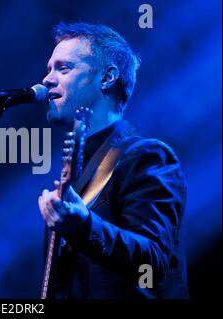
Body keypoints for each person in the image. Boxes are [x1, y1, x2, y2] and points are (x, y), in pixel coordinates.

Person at [38, 22, 189, 299]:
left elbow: (153, 264)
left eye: (64, 68)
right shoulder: (79, 172)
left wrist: (84, 225)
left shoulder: (146, 156)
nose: (47, 80)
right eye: (49, 69)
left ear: (107, 77)